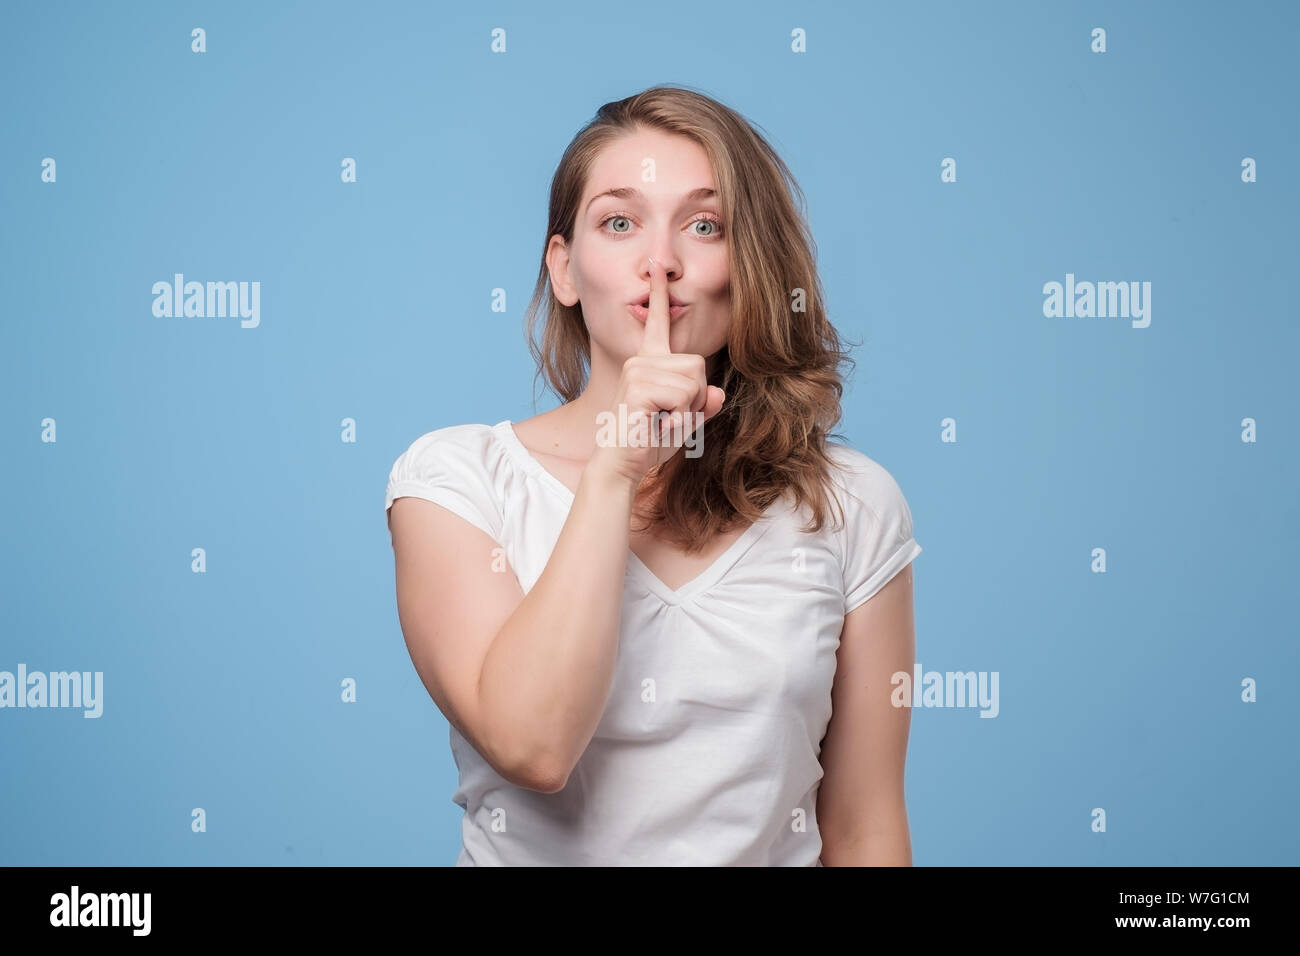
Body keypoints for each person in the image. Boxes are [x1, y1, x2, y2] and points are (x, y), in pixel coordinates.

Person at [385, 85, 921, 866]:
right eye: (619, 222)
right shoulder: (456, 481)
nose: (660, 261)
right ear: (565, 270)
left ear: (750, 272)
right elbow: (532, 745)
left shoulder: (852, 506)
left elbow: (864, 830)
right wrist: (616, 468)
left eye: (705, 226)